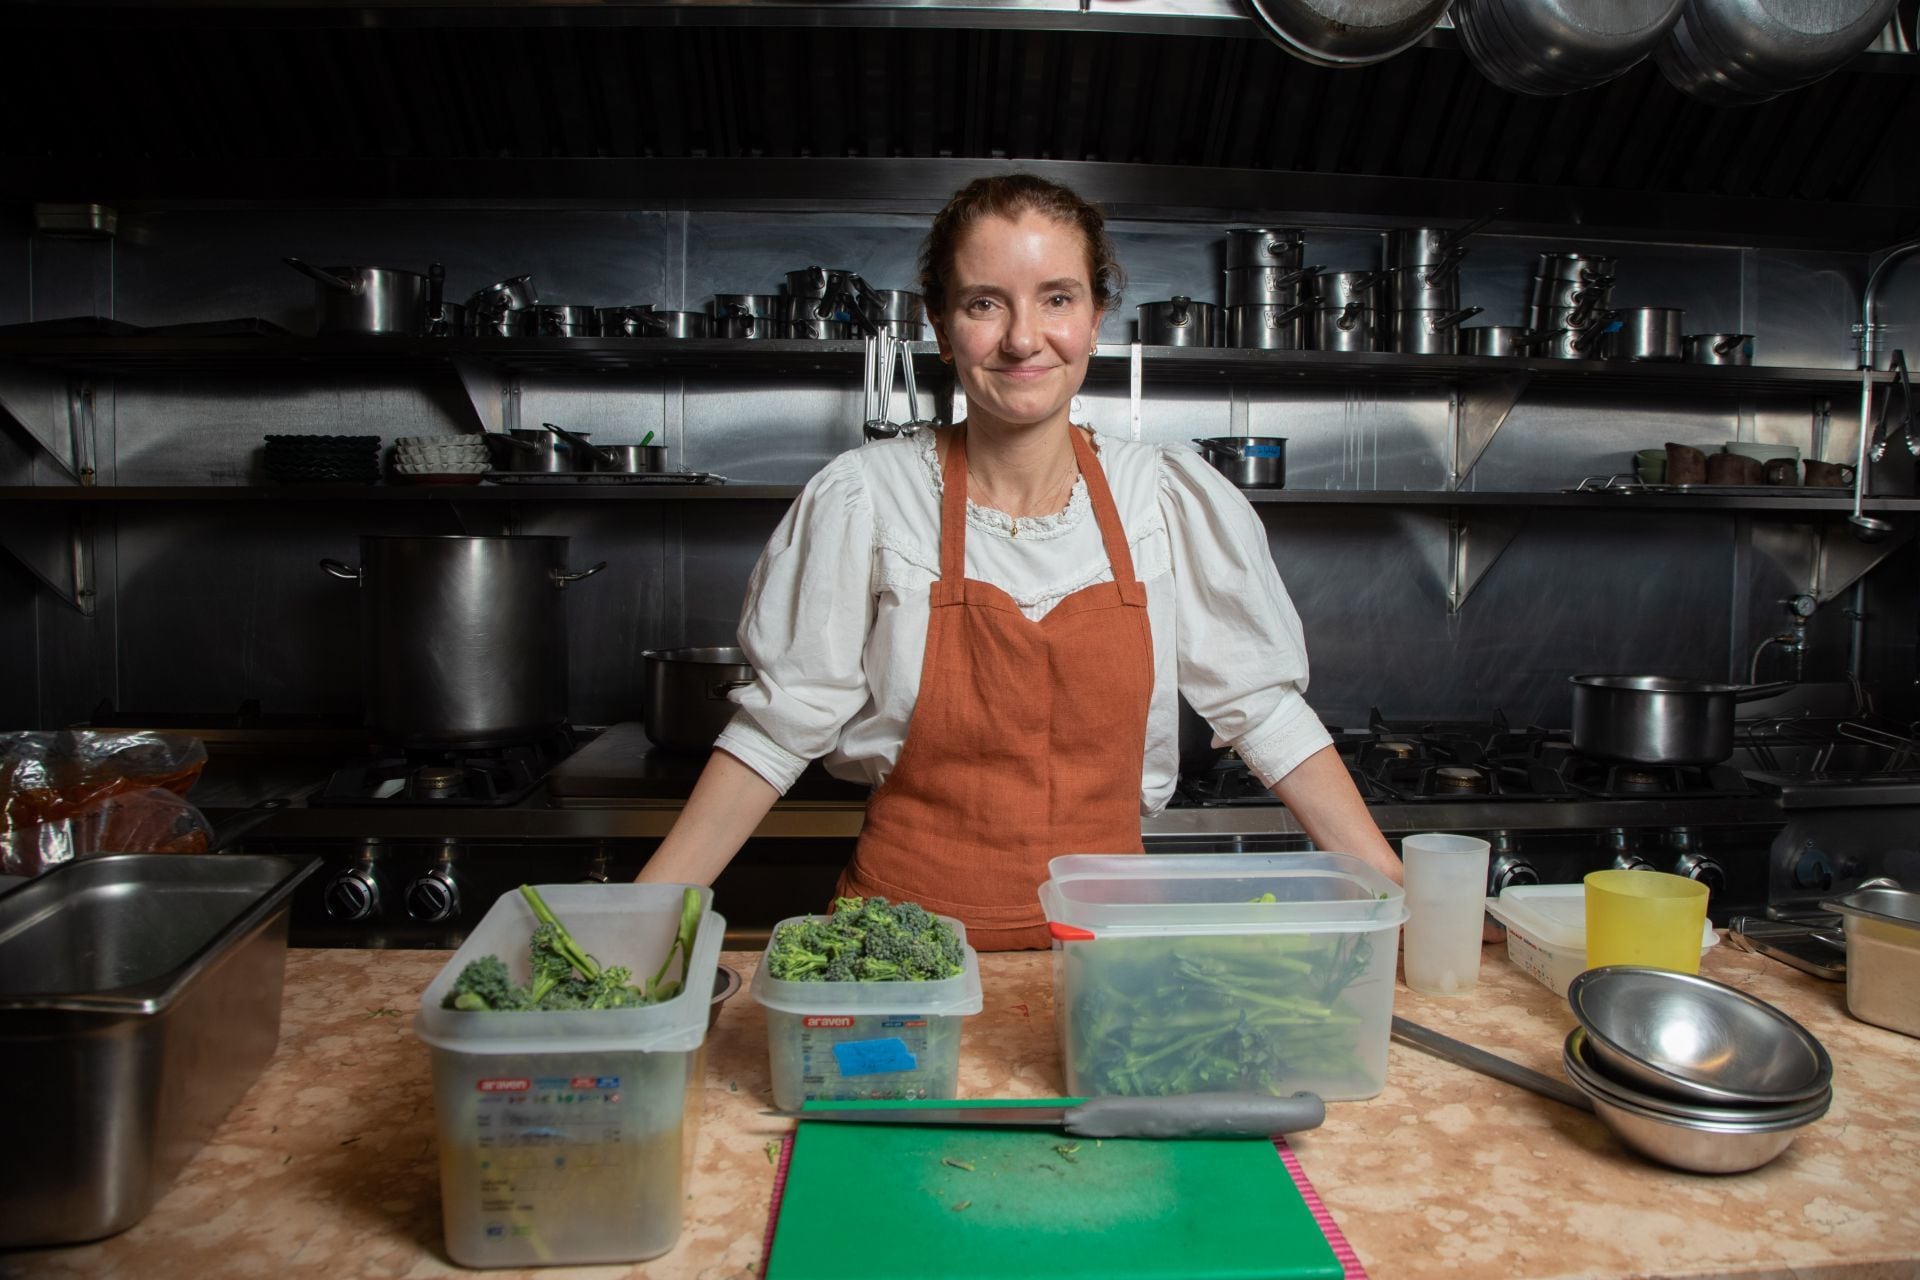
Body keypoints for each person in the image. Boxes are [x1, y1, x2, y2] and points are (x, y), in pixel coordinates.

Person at [637, 173, 1402, 949]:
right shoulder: (869, 498)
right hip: (901, 954)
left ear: (1096, 317)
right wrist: (644, 912)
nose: (1023, 338)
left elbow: (1265, 711)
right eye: (984, 303)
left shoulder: (1161, 499)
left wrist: (1389, 885)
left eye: (1058, 298)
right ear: (940, 327)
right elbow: (775, 732)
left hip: (1109, 954)